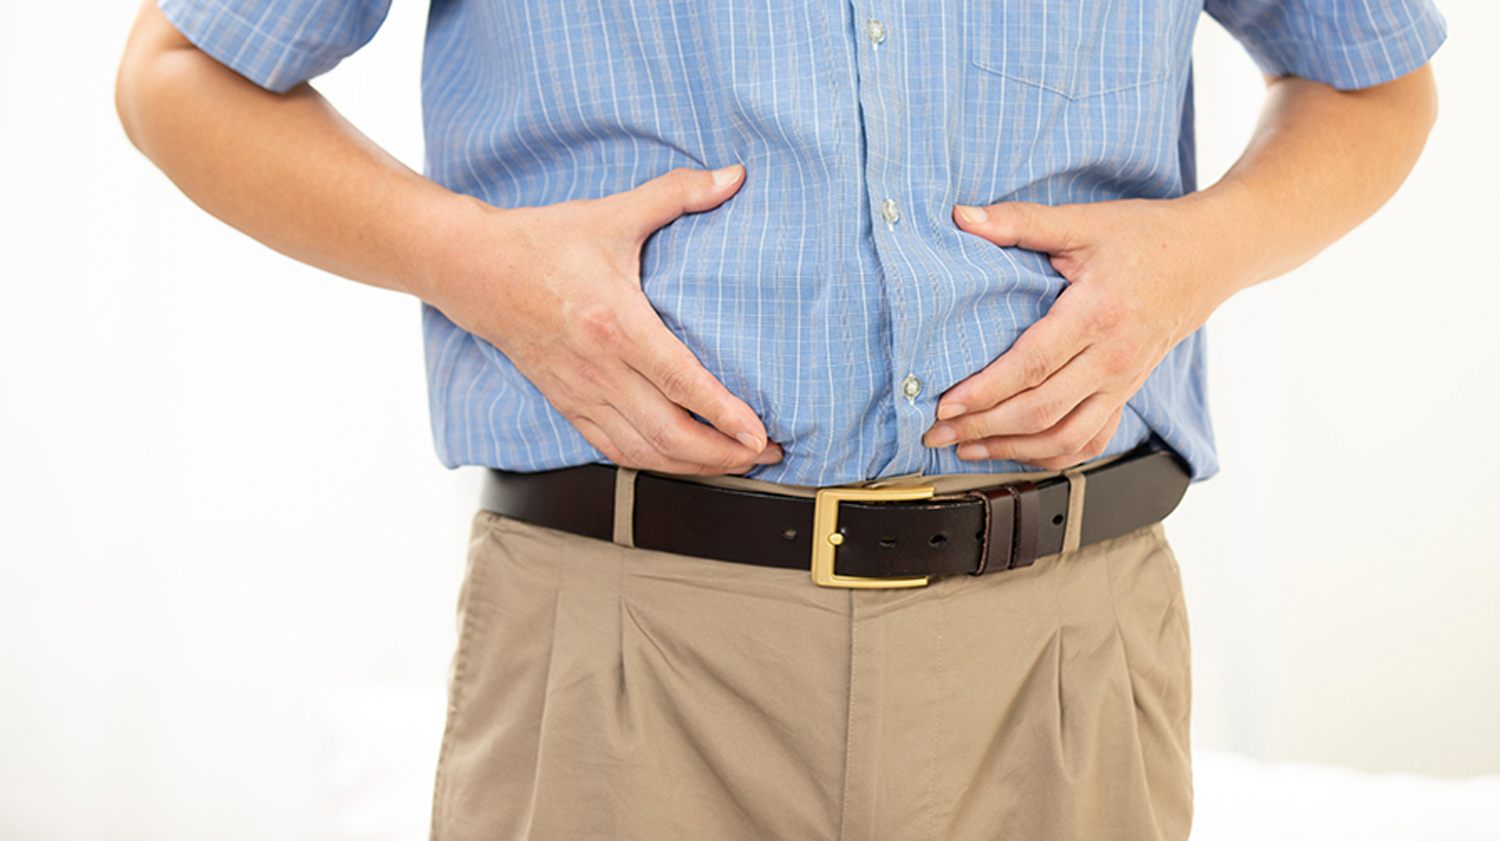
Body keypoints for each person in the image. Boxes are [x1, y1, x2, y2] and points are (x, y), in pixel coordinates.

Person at [115, 0, 1444, 837]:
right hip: (627, 652)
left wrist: (1201, 254)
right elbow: (176, 72)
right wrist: (480, 267)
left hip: (1061, 655)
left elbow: (1373, 75)